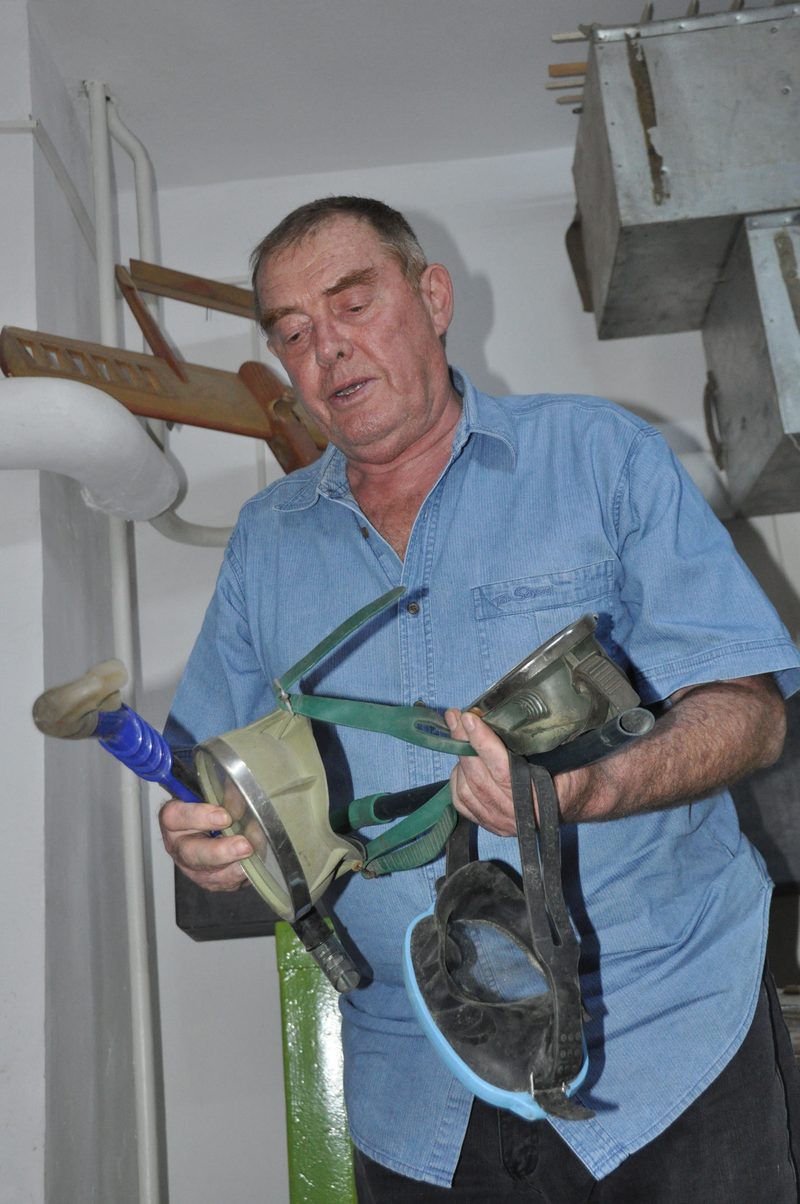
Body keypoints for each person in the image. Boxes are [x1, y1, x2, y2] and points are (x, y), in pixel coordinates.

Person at [160, 196, 800, 1202]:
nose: (328, 349)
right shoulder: (263, 544)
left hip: (660, 1042)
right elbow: (201, 768)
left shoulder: (597, 455)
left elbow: (749, 712)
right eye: (293, 333)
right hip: (417, 1088)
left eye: (352, 305)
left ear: (433, 297)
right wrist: (198, 831)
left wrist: (585, 792)